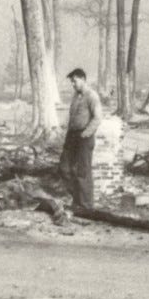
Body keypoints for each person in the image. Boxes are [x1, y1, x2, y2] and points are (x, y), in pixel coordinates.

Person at [59, 67, 103, 212]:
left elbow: (98, 118)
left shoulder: (92, 95)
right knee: (64, 168)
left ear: (83, 79)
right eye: (71, 82)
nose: (73, 84)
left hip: (84, 137)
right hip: (71, 136)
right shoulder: (75, 96)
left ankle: (86, 206)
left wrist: (86, 133)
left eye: (74, 81)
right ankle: (77, 199)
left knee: (83, 171)